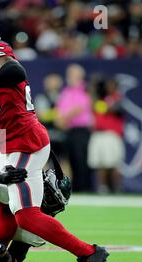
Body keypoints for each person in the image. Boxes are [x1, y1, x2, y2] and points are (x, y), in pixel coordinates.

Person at [0, 10, 108, 262]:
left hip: (24, 141)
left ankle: (89, 253)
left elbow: (15, 71)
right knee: (4, 205)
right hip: (10, 141)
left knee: (28, 217)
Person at [55, 64, 94, 192]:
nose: (69, 77)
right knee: (71, 159)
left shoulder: (85, 89)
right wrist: (60, 119)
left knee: (81, 158)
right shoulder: (66, 92)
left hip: (81, 130)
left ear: (79, 76)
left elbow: (80, 108)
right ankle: (77, 187)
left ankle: (85, 187)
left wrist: (64, 118)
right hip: (69, 130)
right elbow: (59, 109)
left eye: (72, 74)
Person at [88, 78, 125, 193]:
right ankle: (103, 187)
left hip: (111, 134)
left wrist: (104, 106)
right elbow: (94, 106)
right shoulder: (101, 99)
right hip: (98, 134)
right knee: (100, 164)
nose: (109, 87)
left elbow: (117, 109)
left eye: (112, 85)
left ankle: (117, 187)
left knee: (114, 163)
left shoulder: (117, 98)